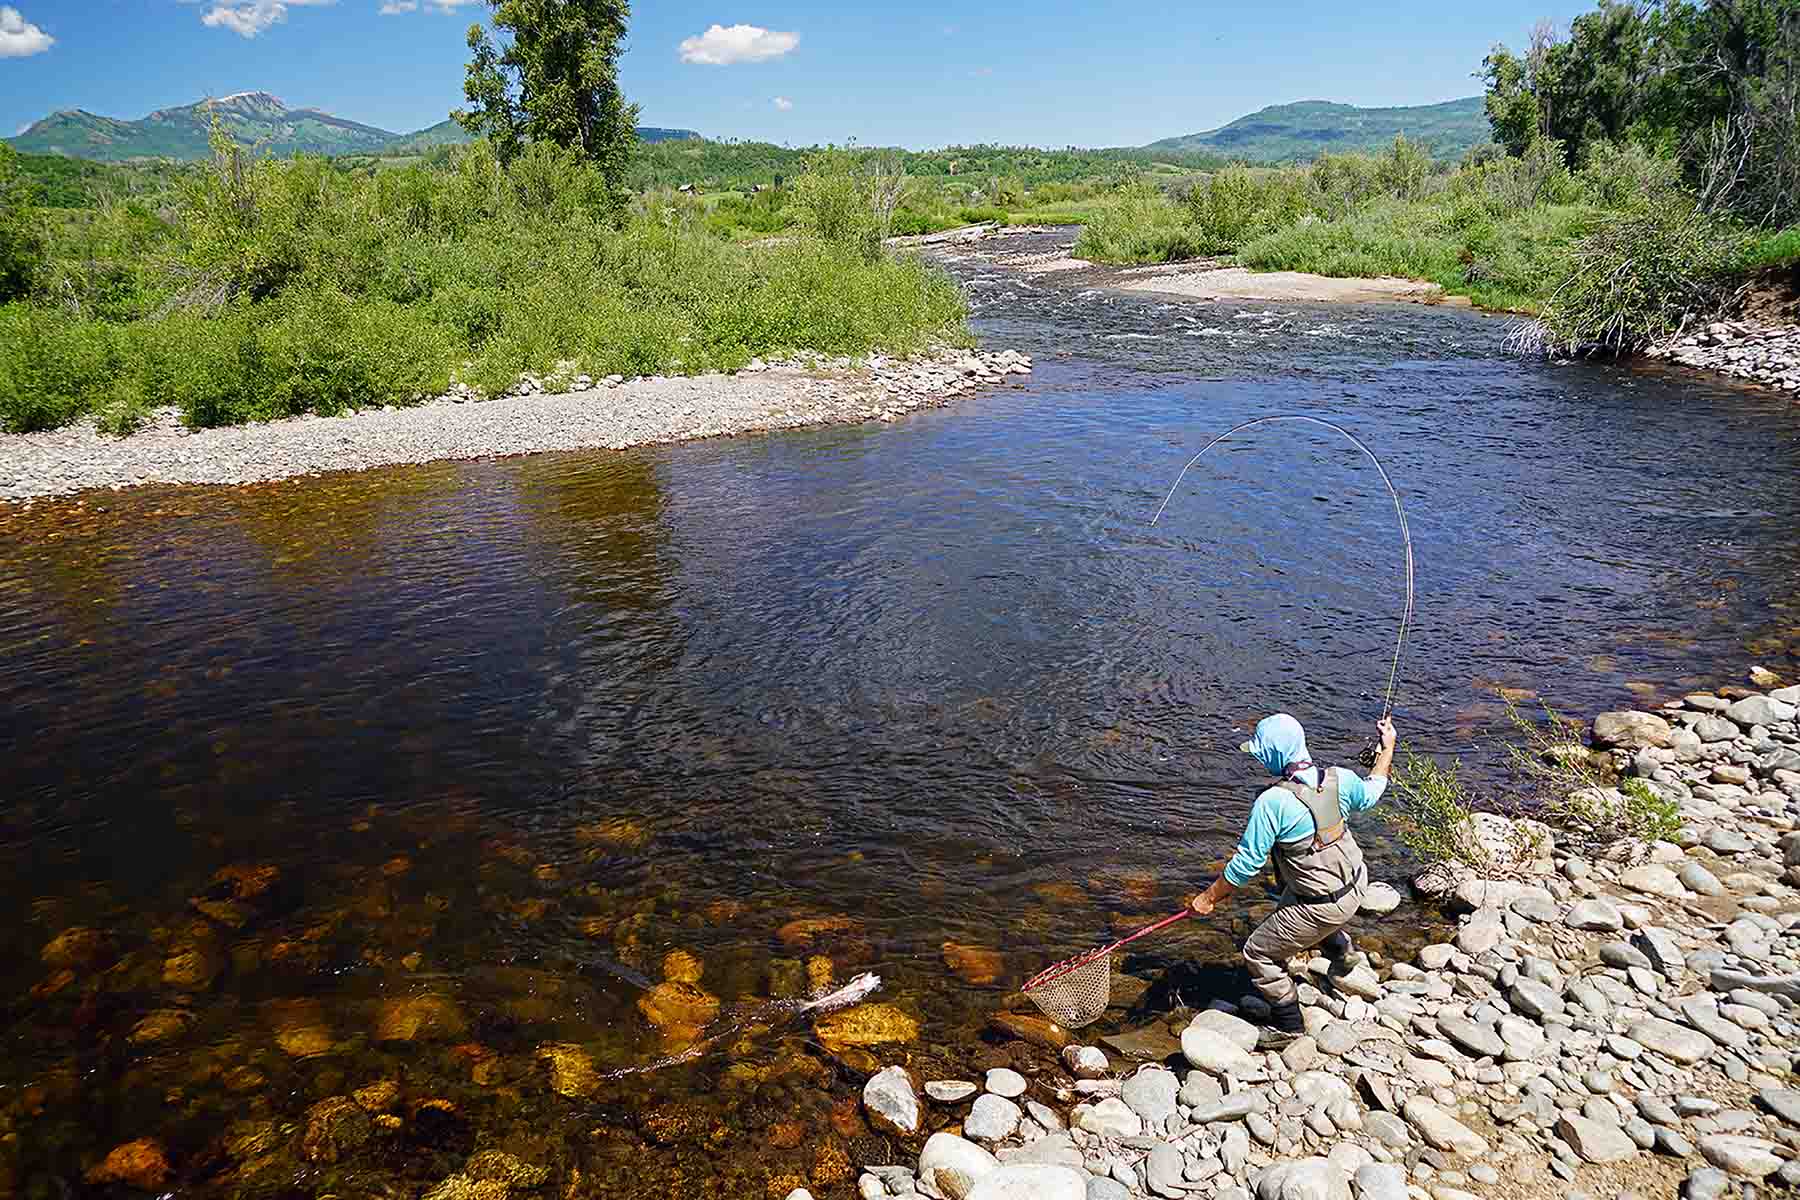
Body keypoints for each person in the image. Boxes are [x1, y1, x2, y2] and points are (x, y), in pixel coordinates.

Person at [1186, 712, 1396, 1043]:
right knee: (1289, 898)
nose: (1258, 758)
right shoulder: (1339, 778)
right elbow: (1374, 790)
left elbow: (1245, 866)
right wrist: (1387, 748)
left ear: (1275, 753)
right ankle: (1341, 949)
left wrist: (1208, 898)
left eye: (1261, 752)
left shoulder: (1272, 802)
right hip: (1357, 885)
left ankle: (1289, 1025)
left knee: (1258, 953)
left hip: (1321, 905)